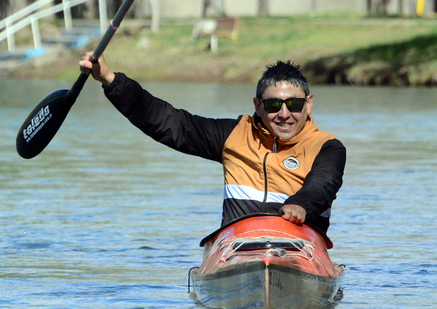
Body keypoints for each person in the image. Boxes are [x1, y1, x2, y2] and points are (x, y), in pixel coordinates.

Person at [79, 54, 346, 234]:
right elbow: (168, 122)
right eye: (274, 104)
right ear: (258, 106)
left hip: (301, 248)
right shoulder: (233, 135)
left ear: (308, 103)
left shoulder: (328, 148)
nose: (284, 114)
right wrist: (110, 79)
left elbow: (321, 186)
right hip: (238, 247)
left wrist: (300, 206)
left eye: (295, 104)